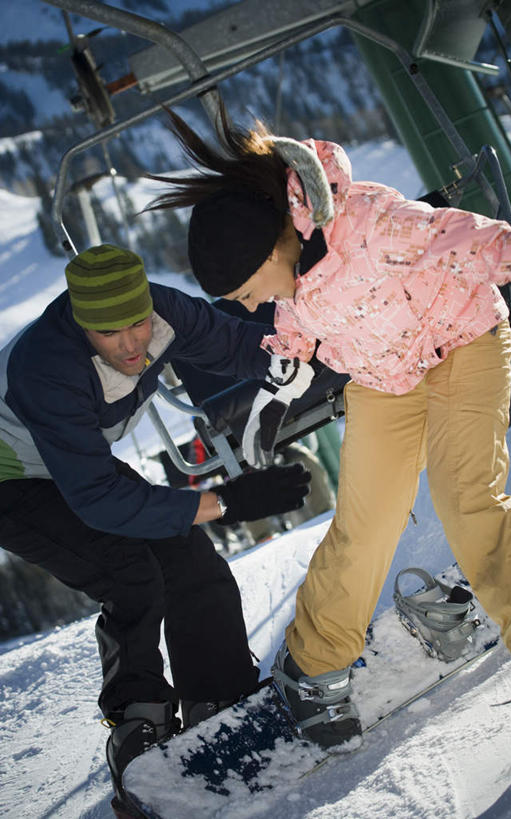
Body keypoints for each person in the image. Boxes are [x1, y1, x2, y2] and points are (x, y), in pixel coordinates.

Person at [145, 104, 511, 754]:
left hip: (464, 340)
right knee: (365, 524)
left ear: (273, 246)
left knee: (467, 501)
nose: (251, 305)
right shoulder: (289, 281)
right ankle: (311, 666)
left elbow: (483, 244)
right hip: (383, 379)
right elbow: (294, 332)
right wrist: (271, 398)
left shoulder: (375, 225)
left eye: (245, 292)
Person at [0, 243, 313, 817]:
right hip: (13, 481)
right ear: (80, 324)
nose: (131, 344)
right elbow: (98, 499)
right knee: (129, 574)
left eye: (138, 323)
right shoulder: (46, 366)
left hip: (73, 463)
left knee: (191, 560)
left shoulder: (165, 313)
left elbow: (237, 344)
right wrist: (225, 502)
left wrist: (312, 351)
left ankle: (222, 701)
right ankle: (138, 727)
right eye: (109, 332)